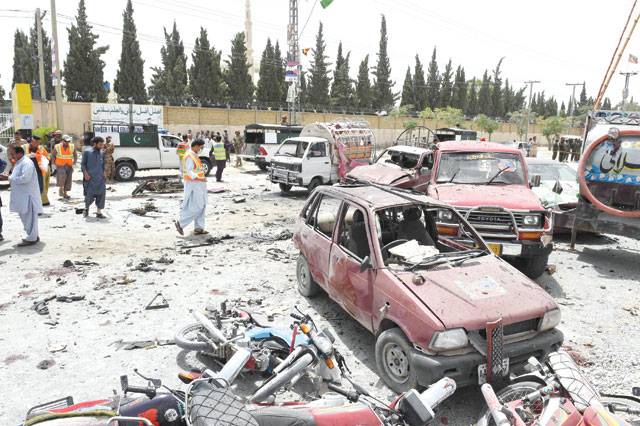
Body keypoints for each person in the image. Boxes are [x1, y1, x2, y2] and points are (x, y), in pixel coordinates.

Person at [0, 146, 42, 246]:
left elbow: (25, 179)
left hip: (28, 196)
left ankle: (32, 239)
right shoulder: (19, 162)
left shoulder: (26, 163)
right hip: (22, 196)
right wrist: (7, 177)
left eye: (13, 154)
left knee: (30, 218)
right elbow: (15, 177)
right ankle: (33, 236)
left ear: (19, 153)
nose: (11, 156)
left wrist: (8, 177)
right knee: (26, 218)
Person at [175, 140, 208, 236]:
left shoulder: (193, 154)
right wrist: (198, 178)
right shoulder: (189, 155)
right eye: (200, 147)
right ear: (196, 146)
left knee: (202, 205)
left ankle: (199, 228)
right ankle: (181, 224)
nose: (201, 149)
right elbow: (189, 171)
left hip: (198, 183)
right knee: (198, 206)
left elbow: (196, 169)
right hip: (194, 183)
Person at [81, 137, 107, 219]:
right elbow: (83, 164)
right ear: (94, 144)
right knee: (89, 195)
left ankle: (99, 212)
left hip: (100, 178)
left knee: (102, 194)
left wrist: (104, 173)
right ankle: (86, 209)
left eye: (102, 144)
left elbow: (103, 164)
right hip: (90, 178)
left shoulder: (102, 152)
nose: (102, 146)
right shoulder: (87, 152)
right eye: (100, 144)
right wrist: (85, 173)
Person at [23, 135, 50, 206]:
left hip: (39, 171)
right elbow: (18, 156)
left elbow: (47, 158)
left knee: (40, 187)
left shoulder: (41, 148)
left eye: (38, 143)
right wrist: (27, 156)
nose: (36, 144)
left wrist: (37, 156)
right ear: (31, 141)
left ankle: (40, 202)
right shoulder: (24, 147)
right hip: (27, 171)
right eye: (34, 142)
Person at [52, 135, 77, 199]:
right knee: (62, 178)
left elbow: (75, 155)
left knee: (68, 179)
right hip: (60, 165)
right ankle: (61, 188)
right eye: (66, 141)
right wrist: (53, 164)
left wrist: (74, 163)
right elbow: (53, 155)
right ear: (62, 141)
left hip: (69, 165)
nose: (67, 142)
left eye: (68, 141)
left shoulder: (72, 146)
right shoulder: (57, 147)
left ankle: (65, 193)